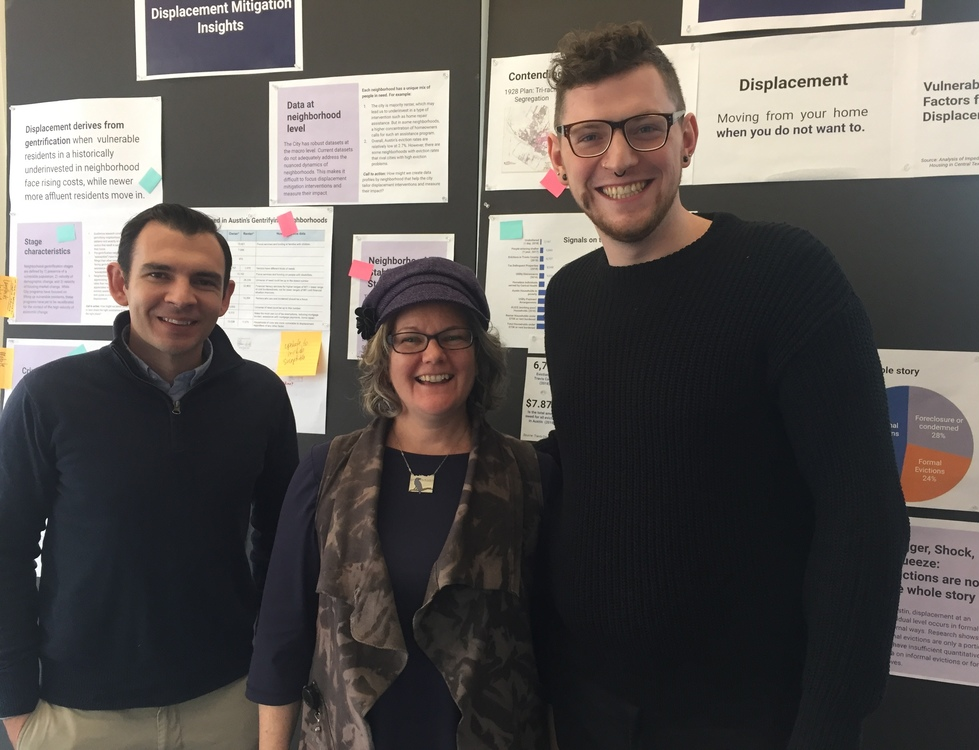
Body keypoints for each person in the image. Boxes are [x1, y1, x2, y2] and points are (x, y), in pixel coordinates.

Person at [538, 21, 910, 750]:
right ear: (558, 153)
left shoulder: (785, 275)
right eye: (588, 135)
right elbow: (597, 468)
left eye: (644, 127)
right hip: (592, 709)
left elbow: (862, 518)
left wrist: (829, 725)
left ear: (687, 136)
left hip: (746, 718)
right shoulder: (571, 296)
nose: (617, 157)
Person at [0, 204, 299, 750]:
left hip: (227, 701)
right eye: (158, 273)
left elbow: (283, 546)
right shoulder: (46, 398)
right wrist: (15, 705)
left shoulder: (262, 397)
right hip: (77, 712)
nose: (182, 296)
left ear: (227, 296)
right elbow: (6, 549)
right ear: (120, 283)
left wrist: (269, 675)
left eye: (204, 281)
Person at [247, 257, 554, 750]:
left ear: (479, 352)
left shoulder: (528, 476)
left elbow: (556, 643)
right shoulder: (326, 472)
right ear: (383, 358)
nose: (433, 355)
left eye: (454, 336)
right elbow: (283, 636)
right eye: (410, 338)